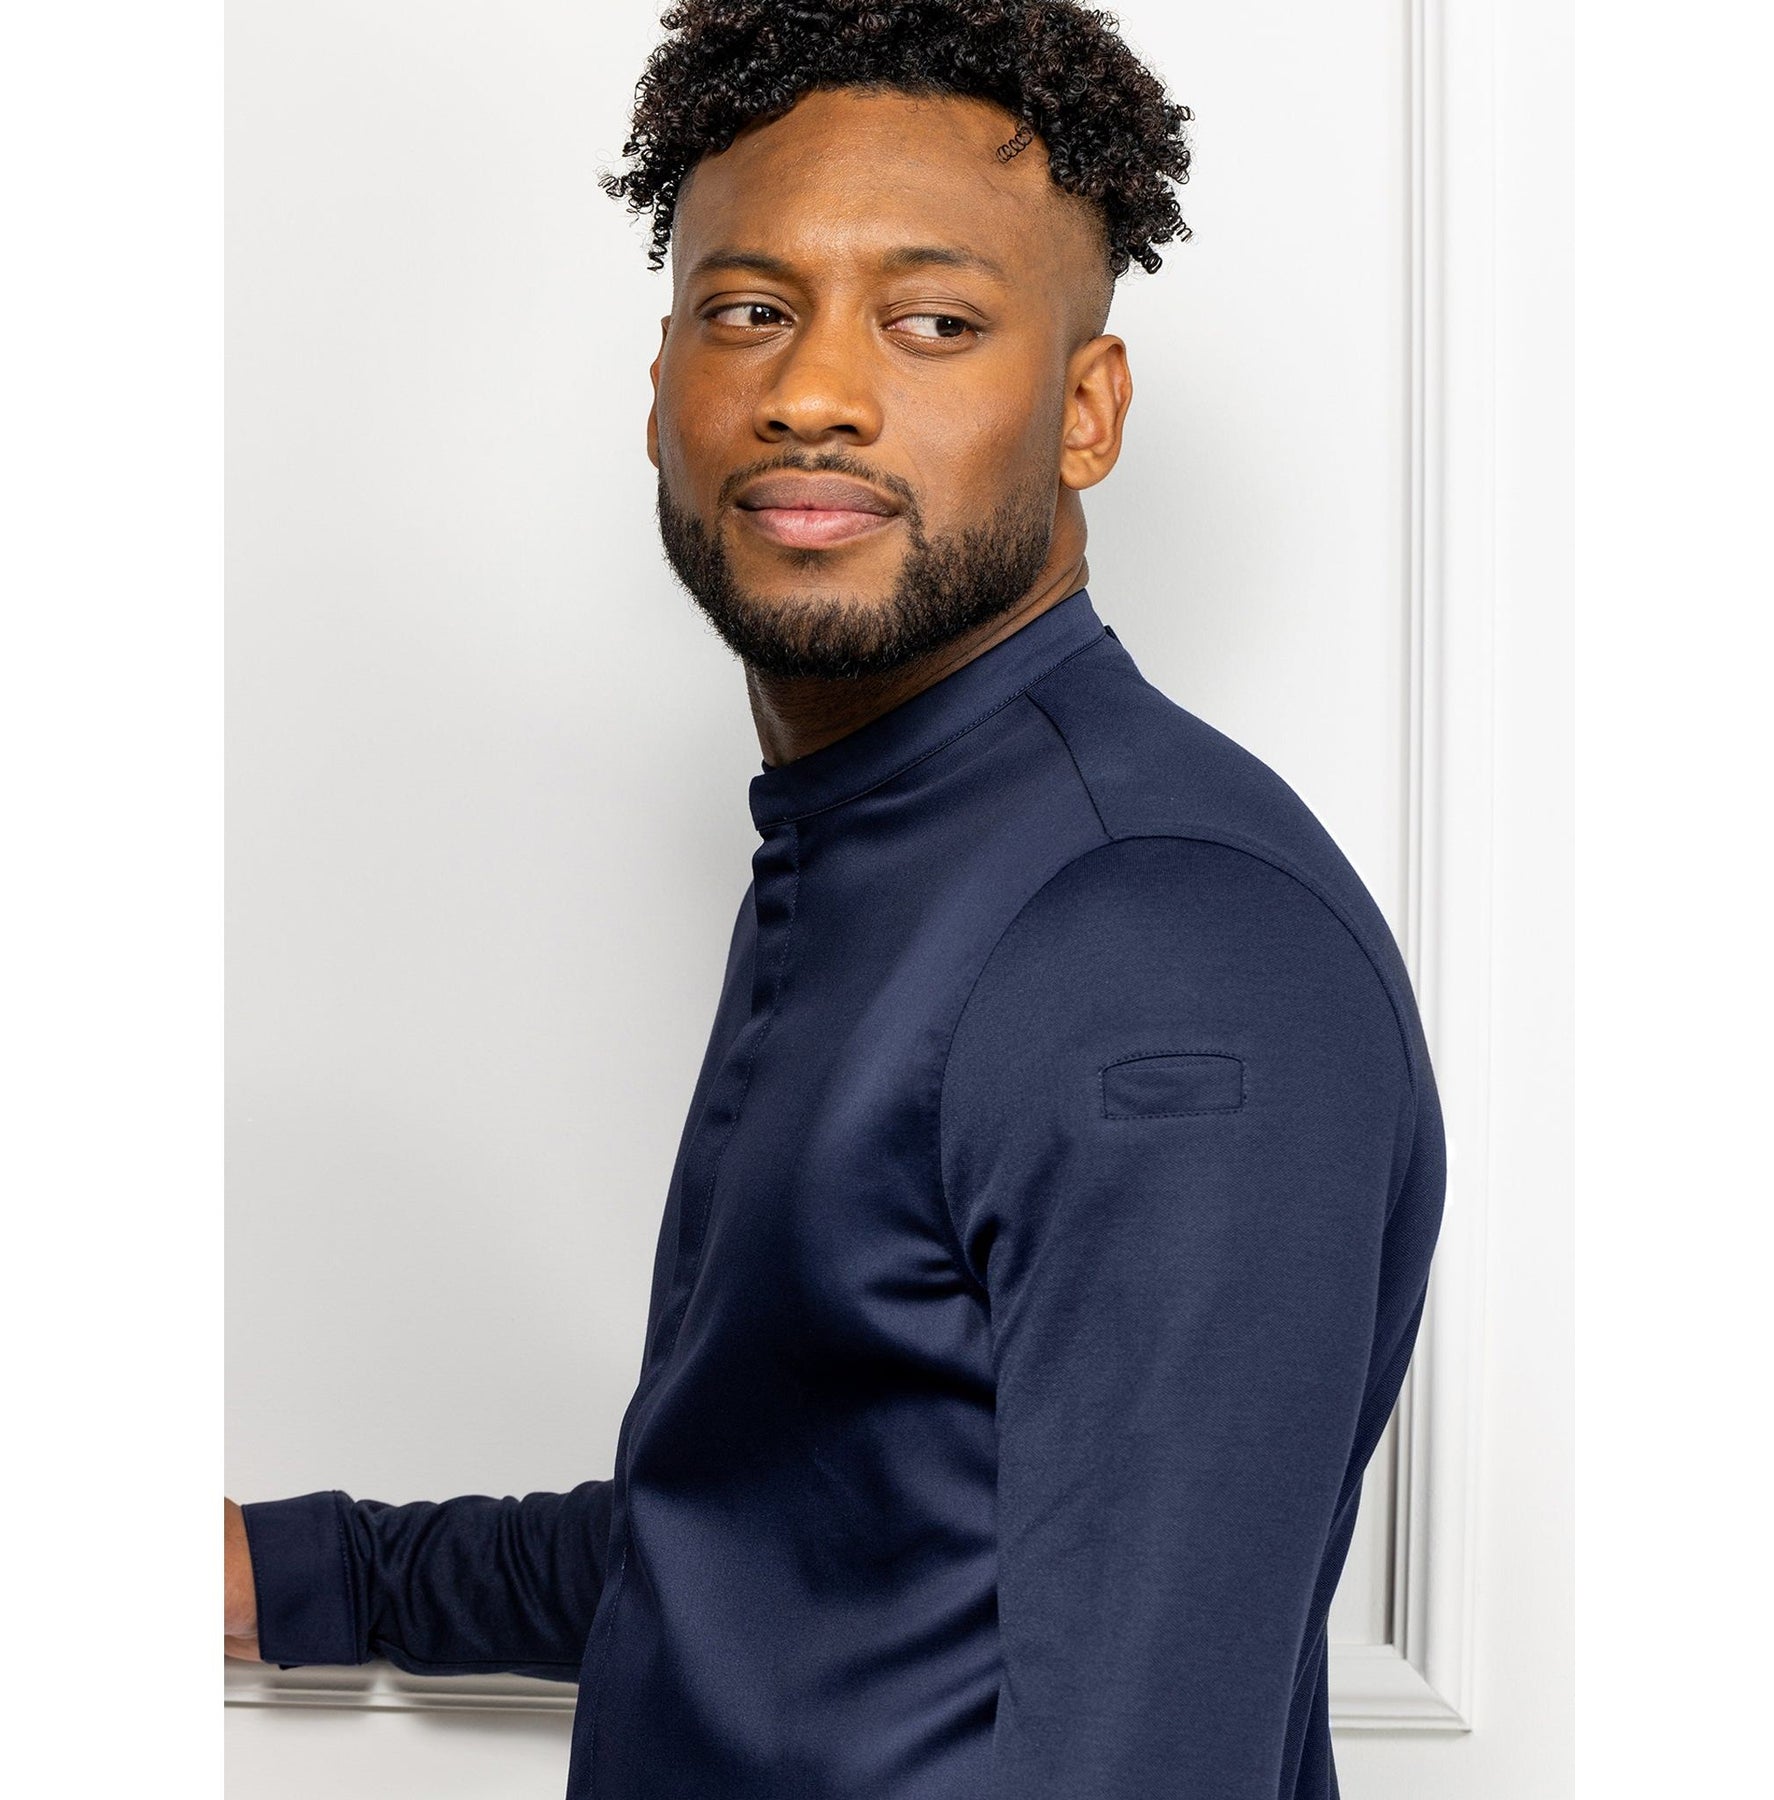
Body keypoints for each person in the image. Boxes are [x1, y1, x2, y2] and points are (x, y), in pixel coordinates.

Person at [225, 3, 1447, 1796]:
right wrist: (296, 1573)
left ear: (1086, 409)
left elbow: (1143, 1750)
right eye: (750, 312)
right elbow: (788, 1544)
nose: (814, 391)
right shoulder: (891, 839)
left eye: (934, 322)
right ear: (662, 390)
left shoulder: (1157, 939)